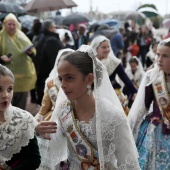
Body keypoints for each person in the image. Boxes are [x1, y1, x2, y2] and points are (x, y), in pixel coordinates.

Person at [37, 45, 140, 169]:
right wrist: (39, 132)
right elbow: (55, 146)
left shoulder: (113, 116)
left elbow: (129, 163)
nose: (63, 85)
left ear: (89, 78)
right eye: (61, 79)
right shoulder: (63, 110)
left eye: (69, 78)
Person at [128, 37, 170, 170]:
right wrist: (130, 130)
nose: (159, 59)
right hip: (156, 131)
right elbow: (141, 108)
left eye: (165, 56)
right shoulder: (152, 77)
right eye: (158, 54)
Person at [35, 49, 74, 170]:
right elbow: (44, 107)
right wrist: (36, 123)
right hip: (54, 121)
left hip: (74, 120)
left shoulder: (78, 83)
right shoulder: (51, 84)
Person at [0, 64, 41, 170]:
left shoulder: (23, 119)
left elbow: (34, 158)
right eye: (0, 89)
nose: (6, 95)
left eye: (10, 89)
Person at [90, 35, 137, 114]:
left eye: (108, 47)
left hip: (113, 95)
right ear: (96, 48)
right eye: (104, 47)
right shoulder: (90, 62)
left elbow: (125, 78)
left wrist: (134, 92)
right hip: (95, 95)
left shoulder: (113, 61)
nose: (107, 49)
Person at [0, 13, 37, 110]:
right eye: (9, 24)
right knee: (6, 104)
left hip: (23, 79)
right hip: (5, 79)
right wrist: (1, 59)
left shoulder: (22, 36)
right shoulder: (1, 37)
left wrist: (30, 53)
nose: (12, 27)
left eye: (14, 24)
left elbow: (33, 54)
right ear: (4, 25)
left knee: (20, 107)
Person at [36, 19, 64, 105]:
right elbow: (55, 60)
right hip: (49, 74)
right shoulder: (52, 40)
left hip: (42, 74)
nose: (55, 29)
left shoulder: (41, 37)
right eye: (54, 27)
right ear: (50, 28)